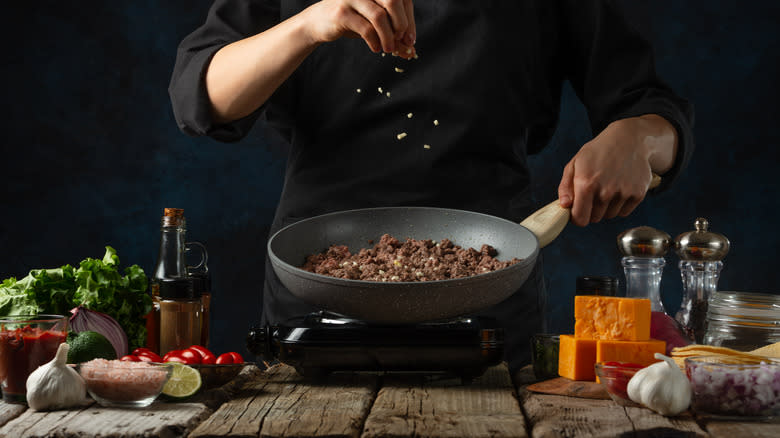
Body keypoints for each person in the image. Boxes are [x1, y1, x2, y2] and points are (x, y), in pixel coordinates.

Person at [169, 0, 694, 375]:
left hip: (490, 297)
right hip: (317, 293)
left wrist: (635, 135)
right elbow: (201, 95)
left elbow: (650, 105)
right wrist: (307, 24)